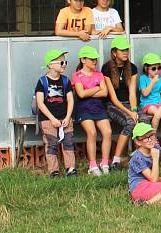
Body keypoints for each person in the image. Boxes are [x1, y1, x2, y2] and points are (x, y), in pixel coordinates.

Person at [35, 49, 77, 177]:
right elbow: (40, 103)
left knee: (68, 142)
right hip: (48, 119)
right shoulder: (42, 81)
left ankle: (71, 168)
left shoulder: (65, 80)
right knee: (51, 143)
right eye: (61, 62)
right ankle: (54, 170)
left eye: (65, 62)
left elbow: (70, 100)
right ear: (50, 64)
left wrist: (68, 117)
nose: (64, 64)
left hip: (65, 118)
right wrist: (52, 119)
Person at [72, 45, 112, 176]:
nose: (95, 61)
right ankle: (93, 166)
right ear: (83, 60)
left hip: (98, 107)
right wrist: (96, 88)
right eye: (91, 59)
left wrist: (88, 91)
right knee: (92, 132)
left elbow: (105, 92)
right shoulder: (77, 75)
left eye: (95, 59)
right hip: (83, 108)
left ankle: (105, 163)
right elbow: (81, 95)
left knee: (108, 131)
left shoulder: (99, 74)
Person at [101, 36, 138, 171]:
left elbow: (132, 93)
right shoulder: (106, 68)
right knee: (130, 122)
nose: (125, 52)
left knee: (144, 121)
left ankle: (139, 156)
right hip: (112, 105)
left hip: (129, 103)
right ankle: (116, 160)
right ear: (114, 53)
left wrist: (134, 109)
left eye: (127, 50)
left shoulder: (132, 68)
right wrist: (130, 113)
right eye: (122, 50)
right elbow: (113, 98)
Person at [138, 53, 161, 142]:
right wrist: (152, 82)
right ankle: (153, 137)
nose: (156, 70)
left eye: (159, 68)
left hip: (159, 102)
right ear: (146, 68)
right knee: (157, 113)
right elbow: (145, 93)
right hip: (147, 103)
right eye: (153, 68)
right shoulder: (143, 78)